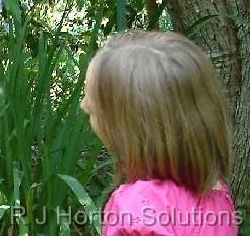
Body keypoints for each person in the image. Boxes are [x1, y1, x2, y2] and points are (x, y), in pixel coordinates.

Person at [80, 30, 239, 235]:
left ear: (131, 128)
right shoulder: (215, 194)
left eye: (94, 108)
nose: (84, 106)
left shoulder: (139, 209)